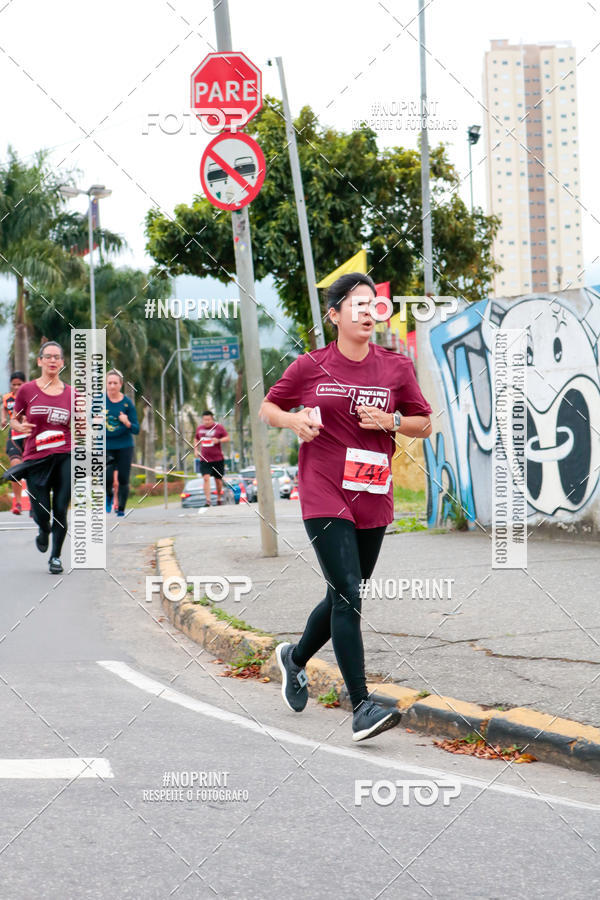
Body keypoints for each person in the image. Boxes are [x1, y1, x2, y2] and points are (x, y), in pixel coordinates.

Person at [260, 273, 432, 742]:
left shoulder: (395, 368)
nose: (366, 312)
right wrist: (294, 420)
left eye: (372, 305)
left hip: (372, 493)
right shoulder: (310, 365)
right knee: (350, 595)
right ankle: (360, 706)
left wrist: (392, 419)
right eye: (356, 304)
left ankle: (295, 658)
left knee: (344, 593)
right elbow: (268, 407)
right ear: (334, 315)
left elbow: (424, 424)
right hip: (323, 491)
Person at [6, 342, 74, 574]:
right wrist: (19, 426)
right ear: (40, 361)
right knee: (42, 511)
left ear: (62, 363)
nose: (53, 361)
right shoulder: (26, 390)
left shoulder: (71, 394)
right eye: (48, 357)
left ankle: (55, 557)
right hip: (35, 458)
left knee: (62, 508)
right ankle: (43, 529)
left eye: (57, 357)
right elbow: (13, 420)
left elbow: (80, 426)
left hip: (64, 455)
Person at [105, 369, 139, 516]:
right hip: (105, 446)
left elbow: (136, 429)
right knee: (106, 478)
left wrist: (127, 422)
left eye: (115, 383)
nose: (112, 386)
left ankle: (121, 509)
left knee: (123, 479)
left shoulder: (127, 404)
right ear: (106, 384)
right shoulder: (99, 401)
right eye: (109, 383)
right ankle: (109, 495)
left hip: (125, 445)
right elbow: (88, 422)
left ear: (121, 384)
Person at [1, 370, 26, 513]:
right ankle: (17, 503)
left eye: (19, 384)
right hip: (14, 436)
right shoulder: (7, 398)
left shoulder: (31, 396)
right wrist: (3, 419)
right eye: (14, 385)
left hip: (29, 436)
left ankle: (38, 503)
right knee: (15, 466)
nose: (16, 387)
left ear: (25, 384)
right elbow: (4, 408)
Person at [194, 410, 230, 506]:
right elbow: (196, 439)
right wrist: (196, 450)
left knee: (218, 480)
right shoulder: (199, 429)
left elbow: (227, 438)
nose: (207, 421)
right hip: (204, 459)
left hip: (218, 459)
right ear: (202, 420)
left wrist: (218, 440)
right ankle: (208, 500)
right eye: (205, 420)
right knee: (206, 478)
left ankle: (218, 498)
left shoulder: (219, 427)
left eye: (208, 419)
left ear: (212, 419)